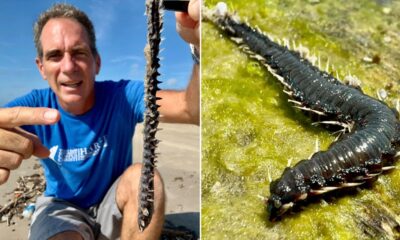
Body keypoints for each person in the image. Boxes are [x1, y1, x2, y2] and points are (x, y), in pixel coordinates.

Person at [0, 0, 199, 239]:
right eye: (54, 56)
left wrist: (198, 47)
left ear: (97, 62)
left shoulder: (123, 97)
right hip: (61, 206)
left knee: (146, 180)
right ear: (41, 67)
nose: (68, 66)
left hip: (114, 202)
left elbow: (191, 109)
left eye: (79, 52)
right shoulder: (31, 107)